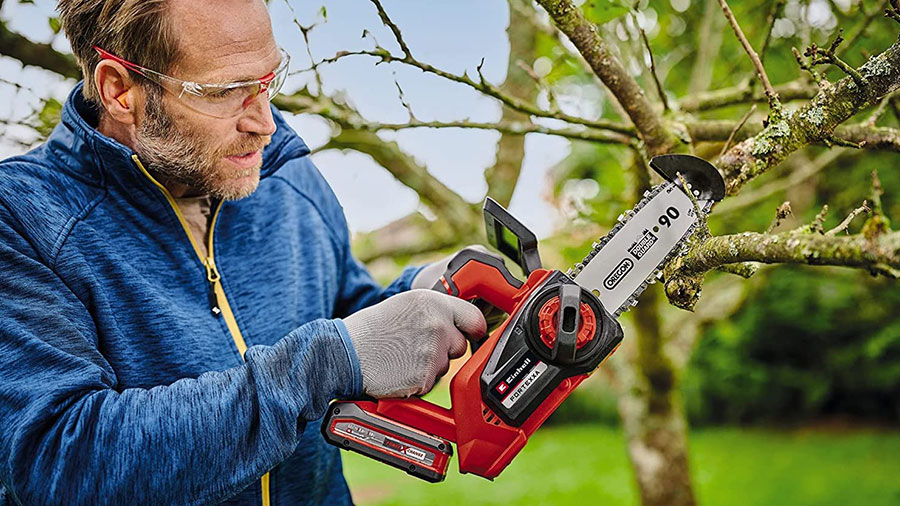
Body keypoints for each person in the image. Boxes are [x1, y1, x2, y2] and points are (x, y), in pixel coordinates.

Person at [0, 0, 491, 504]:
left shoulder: (284, 174)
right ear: (120, 90)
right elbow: (58, 463)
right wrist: (320, 364)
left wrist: (421, 292)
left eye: (268, 79)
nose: (265, 123)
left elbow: (341, 309)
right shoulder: (21, 218)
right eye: (226, 91)